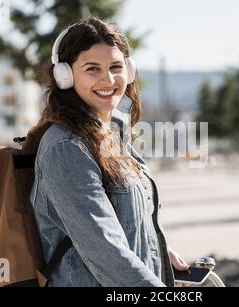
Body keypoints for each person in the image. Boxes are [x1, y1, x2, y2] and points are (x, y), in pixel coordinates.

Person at [29, 17, 189, 287]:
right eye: (93, 69)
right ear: (65, 76)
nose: (109, 79)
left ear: (129, 70)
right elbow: (104, 249)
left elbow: (126, 224)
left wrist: (156, 253)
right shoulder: (66, 148)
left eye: (116, 67)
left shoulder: (113, 134)